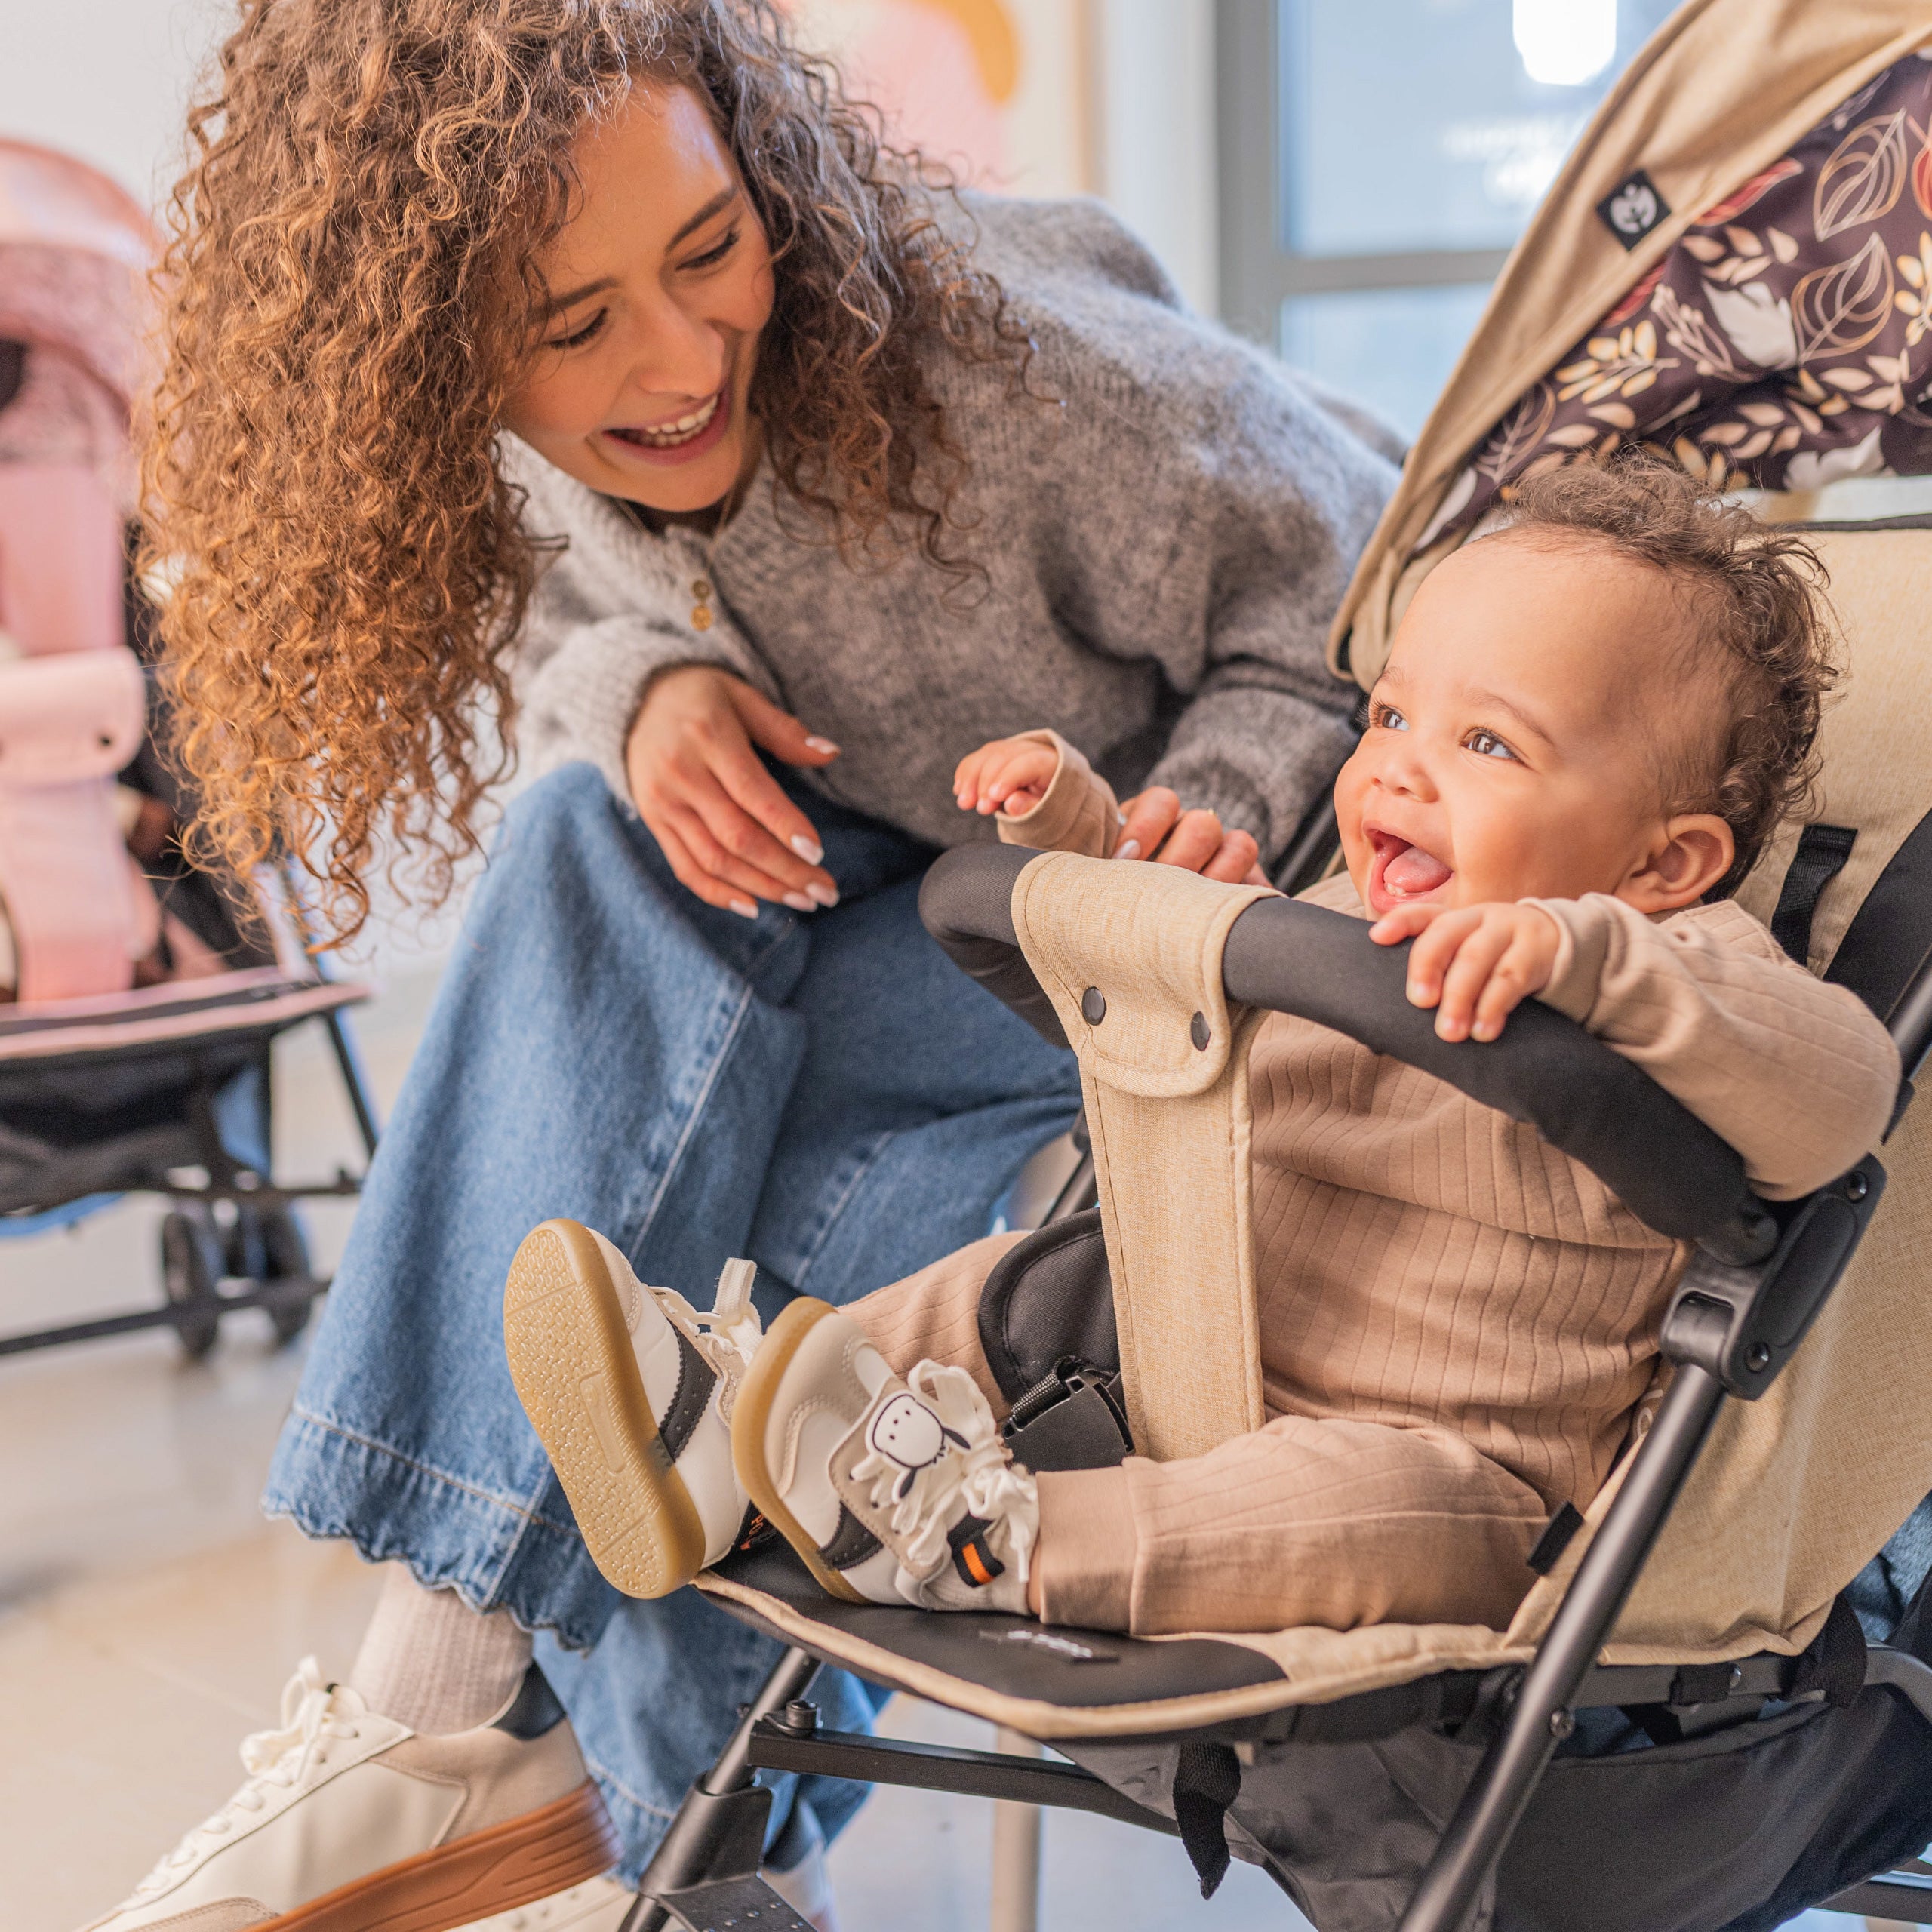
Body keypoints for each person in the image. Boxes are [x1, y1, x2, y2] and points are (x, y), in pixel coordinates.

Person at [88, 2, 1397, 1927]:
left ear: (763, 177)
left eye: (710, 248)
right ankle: (638, 1836)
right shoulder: (505, 461)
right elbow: (567, 618)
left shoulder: (1019, 380)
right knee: (610, 925)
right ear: (440, 352)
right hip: (915, 942)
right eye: (570, 321)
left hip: (1183, 971)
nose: (682, 353)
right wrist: (642, 687)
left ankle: (460, 1725)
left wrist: (1202, 809)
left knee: (703, 1178)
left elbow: (1360, 586)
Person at [503, 457, 1899, 1643]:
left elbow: (1843, 1099)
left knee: (1359, 1511)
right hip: (1188, 1340)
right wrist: (1092, 849)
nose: (1399, 771)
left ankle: (989, 1541)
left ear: (1670, 861)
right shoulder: (1342, 917)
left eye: (1487, 742)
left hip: (1443, 1456)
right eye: (1393, 716)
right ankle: (723, 1435)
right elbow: (1173, 1013)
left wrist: (1591, 956)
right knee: (1006, 1290)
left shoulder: (1685, 963)